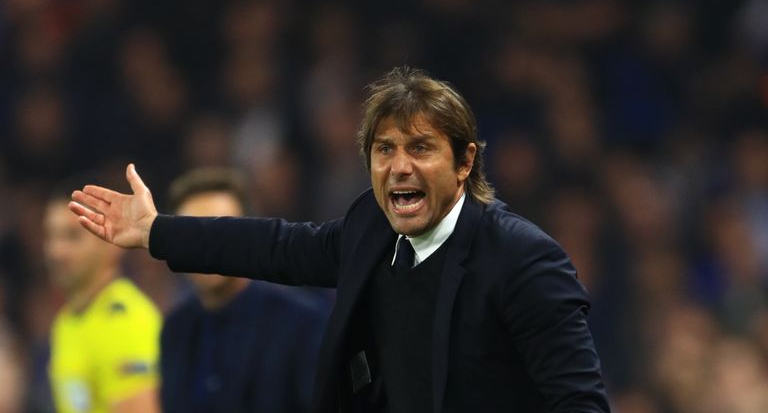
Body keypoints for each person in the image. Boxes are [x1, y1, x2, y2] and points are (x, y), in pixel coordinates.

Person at [70, 67, 611, 412]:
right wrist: (157, 231)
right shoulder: (371, 232)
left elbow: (581, 403)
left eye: (421, 148)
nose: (399, 167)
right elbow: (277, 247)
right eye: (384, 150)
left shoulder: (523, 259)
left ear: (465, 161)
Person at [160, 168, 328, 413]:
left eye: (222, 233)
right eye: (191, 235)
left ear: (247, 238)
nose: (207, 248)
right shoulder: (176, 328)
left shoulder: (302, 322)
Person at [44, 188, 161, 413]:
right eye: (51, 236)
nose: (56, 251)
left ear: (111, 242)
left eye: (72, 236)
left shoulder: (127, 324)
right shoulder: (67, 321)